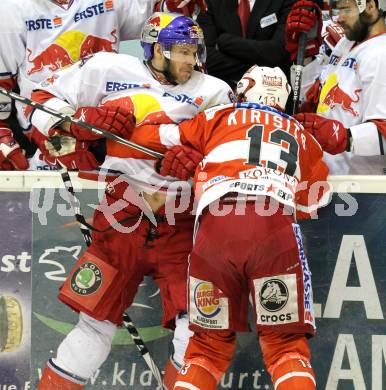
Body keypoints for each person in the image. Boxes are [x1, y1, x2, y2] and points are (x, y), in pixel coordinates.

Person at [29, 12, 234, 389]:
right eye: (183, 52)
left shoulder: (216, 91)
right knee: (93, 327)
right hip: (120, 215)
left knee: (195, 330)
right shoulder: (107, 67)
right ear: (157, 49)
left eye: (195, 51)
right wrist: (79, 121)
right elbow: (40, 102)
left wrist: (199, 162)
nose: (193, 61)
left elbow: (229, 155)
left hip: (184, 223)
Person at [131, 65, 330, 389]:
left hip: (215, 229)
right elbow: (312, 203)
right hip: (273, 226)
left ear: (241, 92)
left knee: (206, 350)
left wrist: (196, 161)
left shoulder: (219, 116)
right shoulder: (303, 136)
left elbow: (150, 136)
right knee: (285, 348)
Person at [0, 0, 207, 171]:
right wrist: (2, 134)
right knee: (71, 157)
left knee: (140, 162)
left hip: (110, 120)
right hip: (46, 125)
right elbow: (2, 83)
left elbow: (159, 19)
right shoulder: (10, 9)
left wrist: (174, 5)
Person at [285, 0, 386, 174]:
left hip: (366, 187)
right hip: (330, 177)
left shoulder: (381, 53)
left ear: (370, 6)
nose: (339, 19)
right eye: (337, 11)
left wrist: (344, 138)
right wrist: (305, 52)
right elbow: (316, 101)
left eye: (346, 9)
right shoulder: (345, 44)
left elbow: (383, 133)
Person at [195, 0, 298, 90]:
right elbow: (203, 56)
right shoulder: (211, 2)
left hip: (273, 92)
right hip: (221, 91)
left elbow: (278, 52)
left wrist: (224, 42)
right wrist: (259, 70)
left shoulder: (285, 1)